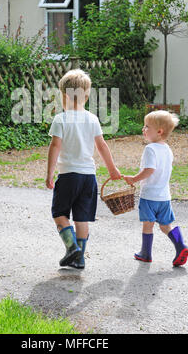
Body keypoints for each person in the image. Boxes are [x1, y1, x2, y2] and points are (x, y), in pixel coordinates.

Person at [46, 69, 121, 269]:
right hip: (89, 177)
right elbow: (102, 146)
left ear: (63, 96)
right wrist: (112, 170)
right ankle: (79, 259)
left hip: (68, 175)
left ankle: (72, 248)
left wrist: (49, 174)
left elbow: (55, 147)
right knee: (82, 217)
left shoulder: (60, 119)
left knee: (59, 214)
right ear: (86, 97)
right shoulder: (93, 119)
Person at [123, 110, 188, 267]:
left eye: (147, 126)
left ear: (159, 131)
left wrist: (133, 179)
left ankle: (145, 254)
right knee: (165, 225)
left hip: (149, 196)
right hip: (164, 196)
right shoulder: (167, 149)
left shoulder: (150, 149)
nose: (143, 129)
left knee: (148, 224)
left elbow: (149, 170)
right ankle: (181, 246)